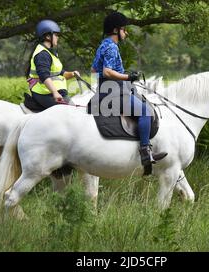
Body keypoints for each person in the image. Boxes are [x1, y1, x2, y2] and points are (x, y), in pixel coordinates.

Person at [91, 11, 167, 175]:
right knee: (145, 112)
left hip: (105, 91)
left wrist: (122, 74)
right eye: (124, 29)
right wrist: (127, 76)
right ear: (116, 30)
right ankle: (145, 152)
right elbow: (106, 71)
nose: (126, 32)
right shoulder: (111, 47)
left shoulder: (103, 44)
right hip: (114, 93)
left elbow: (93, 69)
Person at [25, 19, 80, 109]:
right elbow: (44, 76)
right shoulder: (42, 54)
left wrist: (72, 74)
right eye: (56, 35)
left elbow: (59, 73)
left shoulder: (50, 53)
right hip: (45, 93)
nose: (57, 37)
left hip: (54, 92)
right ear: (48, 36)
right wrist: (55, 92)